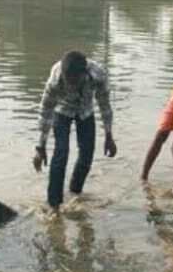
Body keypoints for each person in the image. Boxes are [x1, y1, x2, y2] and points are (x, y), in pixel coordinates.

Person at [32, 51, 117, 209]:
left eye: (74, 81)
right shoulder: (55, 79)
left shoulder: (98, 75)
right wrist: (40, 147)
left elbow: (104, 105)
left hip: (85, 110)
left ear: (83, 75)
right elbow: (46, 111)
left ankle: (75, 192)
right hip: (62, 110)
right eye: (68, 81)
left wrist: (108, 135)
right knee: (61, 153)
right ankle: (54, 205)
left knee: (87, 154)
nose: (70, 85)